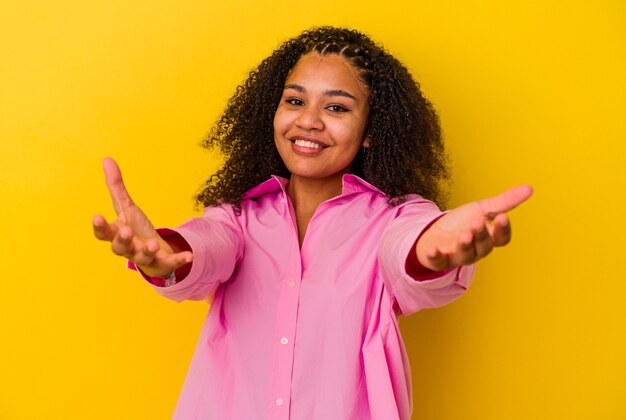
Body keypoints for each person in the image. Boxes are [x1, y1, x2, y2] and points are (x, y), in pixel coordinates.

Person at [93, 27, 532, 420]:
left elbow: (406, 251)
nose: (308, 120)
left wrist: (430, 251)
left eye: (337, 107)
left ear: (370, 131)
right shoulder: (238, 217)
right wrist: (167, 257)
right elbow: (204, 249)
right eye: (295, 100)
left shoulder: (395, 217)